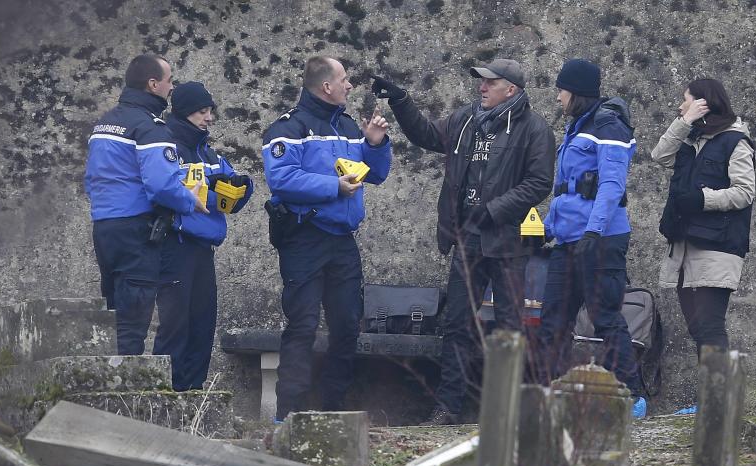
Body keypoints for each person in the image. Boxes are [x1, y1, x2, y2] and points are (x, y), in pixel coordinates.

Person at [373, 58, 555, 425]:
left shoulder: (536, 130)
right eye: (481, 82)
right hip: (467, 241)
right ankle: (448, 408)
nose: (481, 87)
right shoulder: (465, 120)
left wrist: (495, 210)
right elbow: (425, 135)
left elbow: (539, 182)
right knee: (457, 325)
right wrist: (401, 101)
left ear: (512, 90)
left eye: (490, 82)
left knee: (509, 330)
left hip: (508, 245)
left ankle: (506, 412)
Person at [261, 56, 392, 422]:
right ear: (326, 87)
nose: (350, 86)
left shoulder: (350, 127)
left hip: (341, 240)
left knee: (347, 326)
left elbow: (376, 175)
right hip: (304, 238)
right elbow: (282, 179)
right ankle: (288, 415)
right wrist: (333, 186)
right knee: (302, 325)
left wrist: (376, 144)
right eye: (345, 79)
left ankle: (333, 411)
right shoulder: (288, 129)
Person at [536, 58, 647, 418]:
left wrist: (594, 231)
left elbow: (611, 186)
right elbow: (566, 191)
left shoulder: (608, 125)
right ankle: (550, 397)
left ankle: (634, 399)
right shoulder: (575, 128)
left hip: (600, 239)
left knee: (605, 318)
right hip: (567, 242)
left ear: (577, 91)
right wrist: (545, 231)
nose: (557, 98)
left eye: (561, 90)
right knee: (553, 320)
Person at [84, 54, 207, 355]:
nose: (171, 86)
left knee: (112, 314)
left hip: (104, 227)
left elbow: (92, 179)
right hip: (137, 231)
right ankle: (128, 395)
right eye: (168, 80)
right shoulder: (150, 127)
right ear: (153, 84)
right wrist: (190, 201)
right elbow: (162, 185)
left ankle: (111, 382)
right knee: (132, 321)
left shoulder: (106, 123)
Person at [651, 78, 756, 415]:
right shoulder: (690, 139)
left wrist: (702, 199)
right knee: (697, 326)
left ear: (703, 103)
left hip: (717, 247)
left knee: (709, 325)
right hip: (685, 247)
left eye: (686, 101)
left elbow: (744, 192)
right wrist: (684, 122)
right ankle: (711, 403)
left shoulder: (736, 142)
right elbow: (659, 155)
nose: (680, 106)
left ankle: (717, 405)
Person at [153, 81, 253, 391]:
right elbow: (175, 191)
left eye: (210, 111)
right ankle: (164, 396)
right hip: (175, 244)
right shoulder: (169, 147)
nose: (209, 118)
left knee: (202, 325)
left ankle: (193, 396)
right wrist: (214, 191)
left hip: (203, 248)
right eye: (202, 111)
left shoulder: (207, 151)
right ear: (184, 113)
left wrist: (241, 187)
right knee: (174, 326)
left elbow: (230, 200)